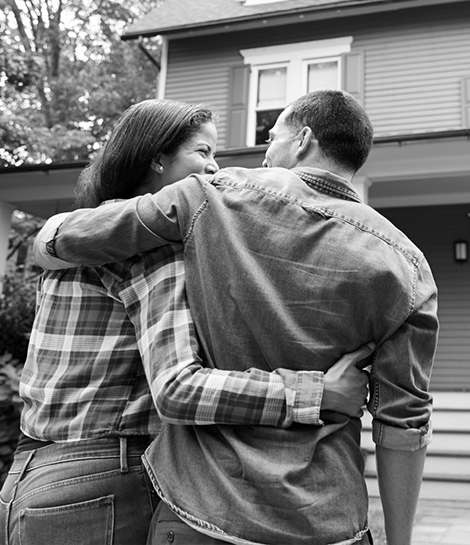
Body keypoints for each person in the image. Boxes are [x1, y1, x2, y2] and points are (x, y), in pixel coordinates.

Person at [27, 90, 437, 545]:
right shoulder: (410, 265)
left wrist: (47, 241)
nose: (262, 152)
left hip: (207, 510)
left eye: (272, 136)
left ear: (302, 140)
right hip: (328, 514)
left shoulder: (207, 199)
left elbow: (65, 238)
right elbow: (405, 422)